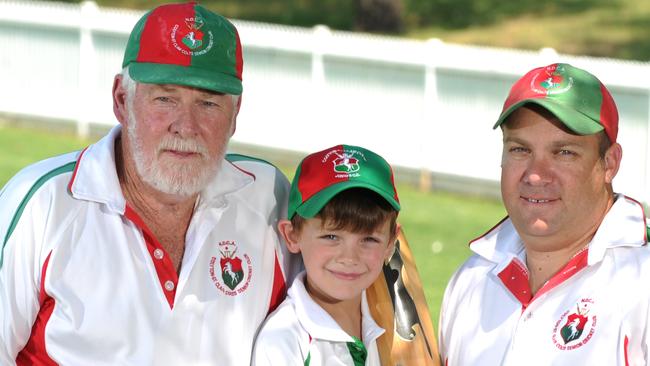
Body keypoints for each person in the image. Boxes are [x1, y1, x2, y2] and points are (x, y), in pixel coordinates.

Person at [0, 3, 300, 365]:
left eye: (208, 103)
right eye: (165, 98)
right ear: (122, 100)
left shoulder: (268, 197)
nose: (186, 126)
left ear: (235, 115)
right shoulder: (42, 203)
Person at [438, 63, 650, 365]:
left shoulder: (642, 278)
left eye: (564, 152)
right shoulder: (471, 280)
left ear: (610, 163)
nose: (536, 175)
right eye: (520, 150)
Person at [251, 144, 402, 365]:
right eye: (331, 237)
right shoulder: (284, 340)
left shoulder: (391, 322)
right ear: (292, 236)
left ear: (390, 242)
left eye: (369, 239)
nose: (349, 258)